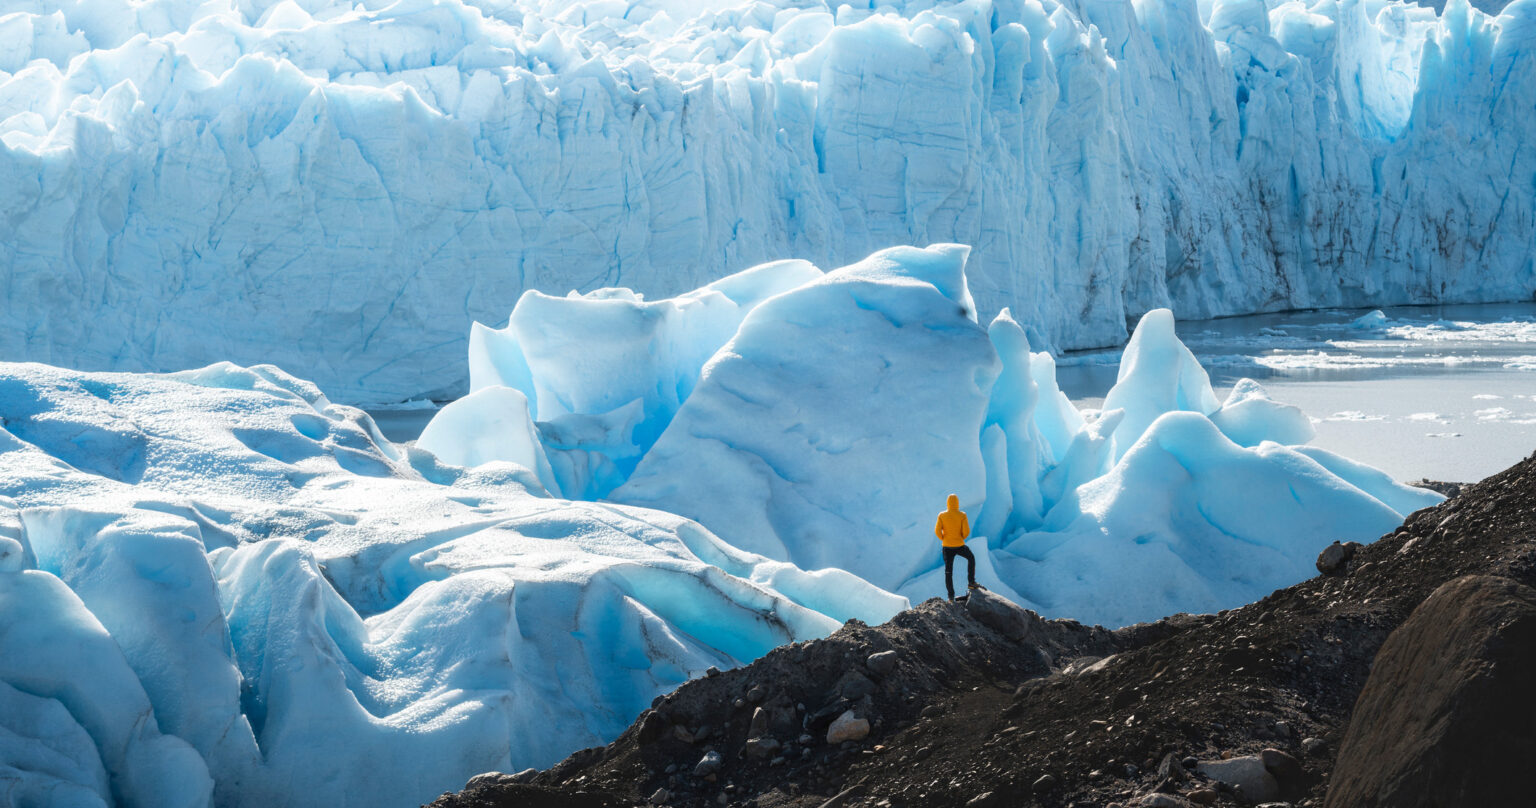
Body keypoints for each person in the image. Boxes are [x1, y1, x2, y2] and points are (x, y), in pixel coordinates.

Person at [934, 494, 982, 601]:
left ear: (947, 503)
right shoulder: (962, 515)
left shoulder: (941, 515)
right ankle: (971, 582)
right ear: (957, 503)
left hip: (947, 547)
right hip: (959, 545)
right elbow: (966, 531)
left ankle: (950, 596)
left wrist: (944, 539)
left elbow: (937, 531)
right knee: (971, 558)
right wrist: (961, 538)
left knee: (948, 571)